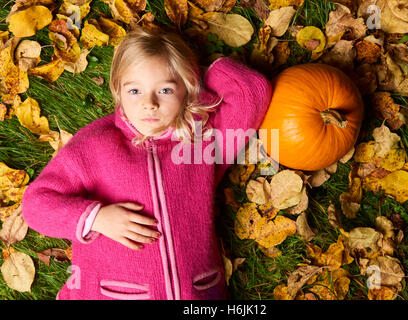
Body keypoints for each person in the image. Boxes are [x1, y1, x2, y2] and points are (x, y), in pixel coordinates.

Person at [22, 26, 272, 300]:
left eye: (164, 89)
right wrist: (97, 218)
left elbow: (251, 91)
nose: (149, 103)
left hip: (197, 292)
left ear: (188, 88)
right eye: (135, 91)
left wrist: (193, 85)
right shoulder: (96, 145)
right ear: (118, 91)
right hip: (111, 292)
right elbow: (36, 205)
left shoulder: (200, 142)